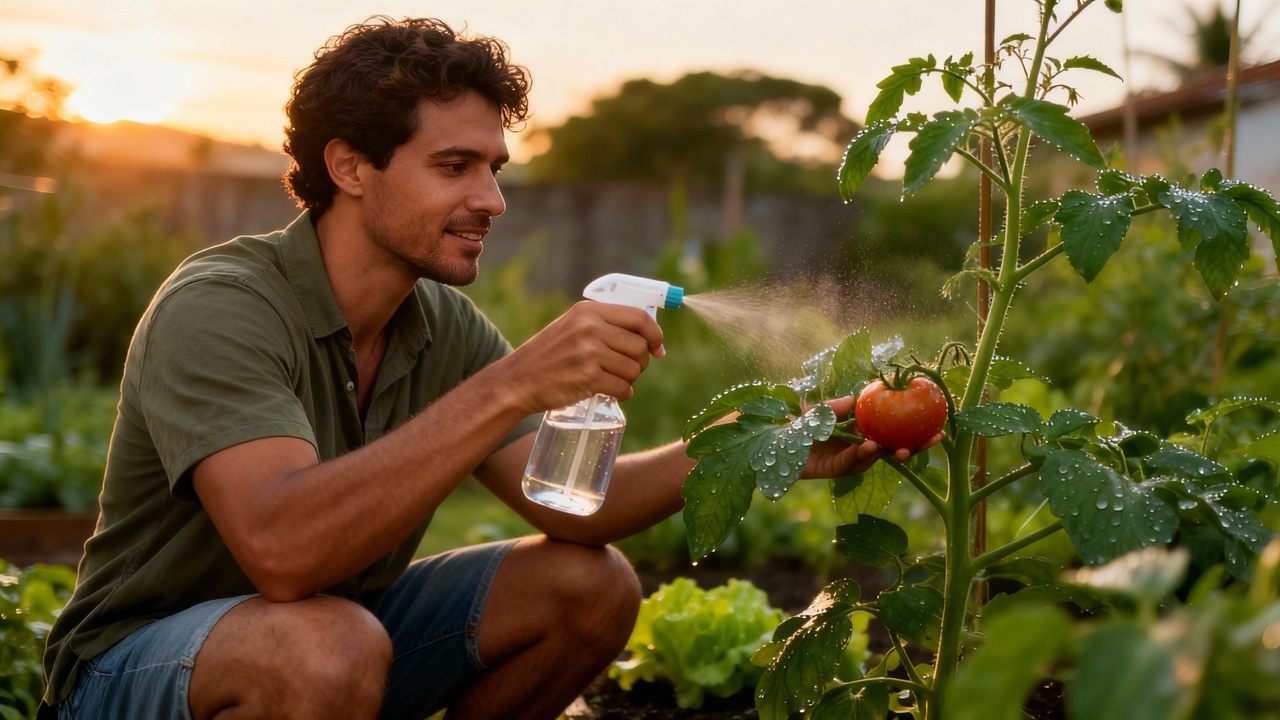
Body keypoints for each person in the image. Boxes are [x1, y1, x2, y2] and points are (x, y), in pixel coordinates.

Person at [40, 16, 922, 720]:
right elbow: (283, 551)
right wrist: (513, 383)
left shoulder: (440, 325)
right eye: (454, 167)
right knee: (324, 647)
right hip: (134, 671)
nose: (491, 200)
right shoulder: (223, 304)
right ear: (349, 166)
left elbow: (579, 509)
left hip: (335, 638)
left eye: (495, 169)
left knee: (588, 586)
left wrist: (754, 443)